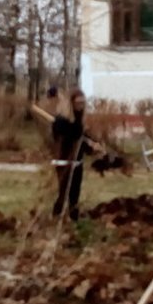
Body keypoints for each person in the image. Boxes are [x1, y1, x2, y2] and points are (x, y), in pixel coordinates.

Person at [50, 88, 100, 221]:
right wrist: (78, 132)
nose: (81, 106)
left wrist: (92, 146)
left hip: (77, 161)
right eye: (78, 103)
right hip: (64, 160)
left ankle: (74, 218)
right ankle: (56, 217)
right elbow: (68, 137)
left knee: (74, 193)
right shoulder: (61, 120)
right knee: (64, 192)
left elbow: (82, 140)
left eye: (83, 103)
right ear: (71, 103)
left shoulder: (79, 120)